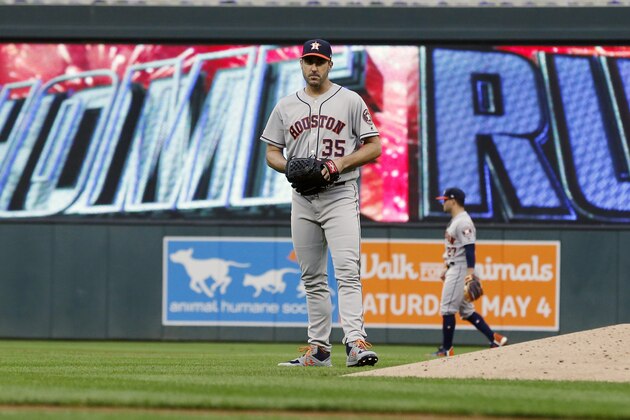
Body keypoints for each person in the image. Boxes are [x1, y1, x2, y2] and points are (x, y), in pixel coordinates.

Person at [260, 39, 381, 367]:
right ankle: (319, 351)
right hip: (302, 199)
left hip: (339, 195)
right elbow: (272, 152)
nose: (314, 67)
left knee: (347, 271)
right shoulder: (286, 105)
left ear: (330, 65)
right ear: (301, 64)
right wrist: (289, 165)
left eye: (320, 61)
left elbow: (374, 146)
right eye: (308, 61)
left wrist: (339, 164)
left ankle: (355, 341)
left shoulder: (349, 100)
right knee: (311, 276)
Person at [432, 187, 508, 357]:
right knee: (466, 311)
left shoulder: (463, 222)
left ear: (453, 201)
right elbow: (456, 247)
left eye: (445, 199)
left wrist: (470, 274)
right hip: (455, 266)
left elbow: (469, 249)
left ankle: (447, 349)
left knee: (447, 309)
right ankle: (495, 338)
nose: (443, 202)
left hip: (460, 269)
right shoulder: (457, 220)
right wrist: (446, 267)